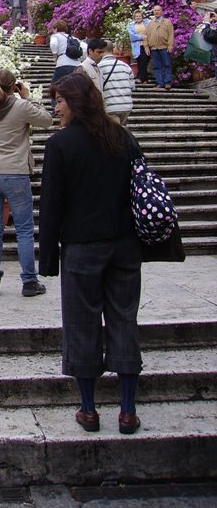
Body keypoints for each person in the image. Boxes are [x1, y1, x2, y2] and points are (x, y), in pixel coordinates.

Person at [38, 72, 184, 436]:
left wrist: (48, 258)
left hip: (82, 248)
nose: (56, 107)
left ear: (76, 102)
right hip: (124, 245)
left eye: (59, 100)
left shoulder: (60, 145)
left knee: (82, 325)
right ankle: (128, 412)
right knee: (124, 320)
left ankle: (88, 410)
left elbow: (52, 205)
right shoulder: (121, 136)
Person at [0, 68, 53, 298]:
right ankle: (29, 281)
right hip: (15, 173)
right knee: (24, 231)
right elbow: (47, 120)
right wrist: (27, 97)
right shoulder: (21, 106)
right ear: (14, 87)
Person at [97, 40, 135, 126]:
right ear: (113, 49)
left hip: (110, 106)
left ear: (101, 51)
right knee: (121, 131)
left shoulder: (99, 67)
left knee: (114, 134)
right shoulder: (125, 66)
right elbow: (132, 87)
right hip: (126, 105)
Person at [145, 4, 174, 91]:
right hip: (154, 48)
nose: (156, 12)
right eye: (155, 10)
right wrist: (147, 47)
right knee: (157, 66)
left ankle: (167, 82)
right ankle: (159, 83)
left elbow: (171, 35)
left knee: (167, 65)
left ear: (162, 12)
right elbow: (146, 36)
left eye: (158, 10)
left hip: (164, 47)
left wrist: (170, 45)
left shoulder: (167, 22)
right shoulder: (150, 24)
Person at [128, 10, 150, 84]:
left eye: (139, 16)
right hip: (137, 46)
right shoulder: (131, 25)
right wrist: (142, 37)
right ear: (134, 17)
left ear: (142, 16)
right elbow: (132, 37)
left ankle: (141, 78)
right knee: (140, 62)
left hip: (146, 45)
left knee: (145, 61)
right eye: (136, 16)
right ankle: (143, 78)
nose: (138, 17)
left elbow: (150, 33)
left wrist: (146, 38)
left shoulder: (147, 23)